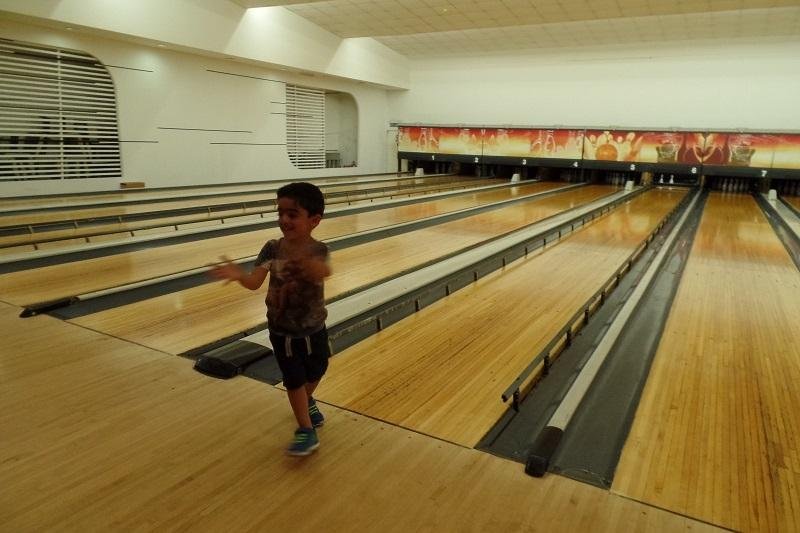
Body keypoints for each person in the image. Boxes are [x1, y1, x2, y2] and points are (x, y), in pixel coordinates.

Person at [209, 182, 331, 456]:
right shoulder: (272, 248)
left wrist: (313, 268)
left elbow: (324, 271)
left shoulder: (318, 249)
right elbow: (254, 283)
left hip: (314, 326)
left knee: (318, 368)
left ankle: (308, 400)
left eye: (292, 214)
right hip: (282, 329)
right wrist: (239, 275)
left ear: (314, 220)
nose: (283, 220)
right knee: (294, 380)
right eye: (280, 213)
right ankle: (305, 430)